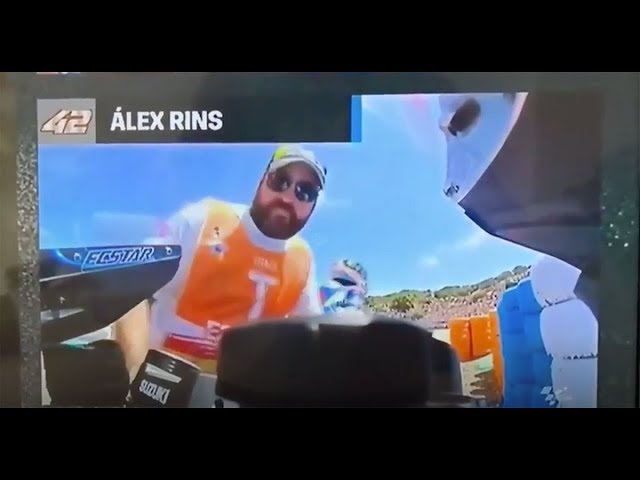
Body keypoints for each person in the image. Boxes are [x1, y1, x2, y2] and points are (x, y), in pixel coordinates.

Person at [115, 144, 326, 378]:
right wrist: (135, 378)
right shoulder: (203, 219)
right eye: (280, 181)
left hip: (248, 389)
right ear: (262, 181)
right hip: (166, 382)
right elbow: (129, 284)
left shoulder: (303, 258)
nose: (287, 198)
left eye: (305, 192)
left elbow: (310, 338)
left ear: (313, 205)